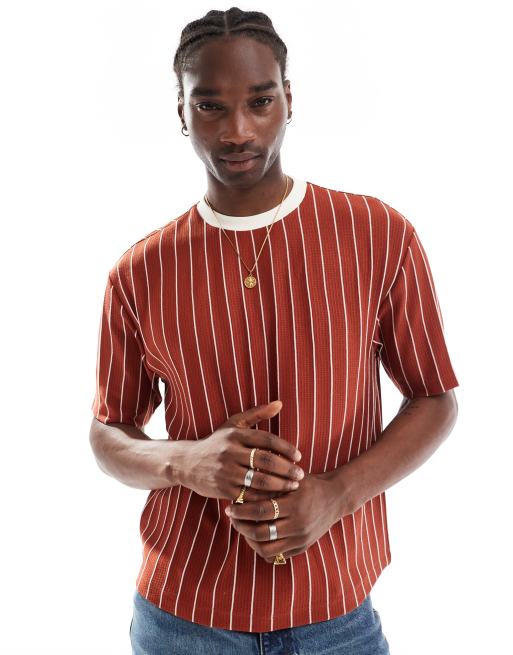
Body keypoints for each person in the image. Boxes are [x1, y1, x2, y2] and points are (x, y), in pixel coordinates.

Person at [89, 7, 459, 654]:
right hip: (183, 618)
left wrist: (336, 496)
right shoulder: (138, 272)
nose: (237, 130)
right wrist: (185, 460)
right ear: (181, 112)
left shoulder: (379, 236)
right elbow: (108, 431)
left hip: (338, 613)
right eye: (209, 106)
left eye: (260, 101)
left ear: (289, 98)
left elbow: (434, 397)